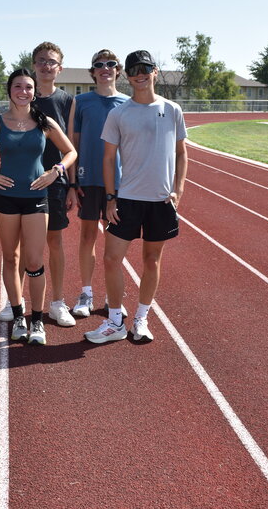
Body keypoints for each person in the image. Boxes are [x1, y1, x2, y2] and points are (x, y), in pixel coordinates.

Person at [0, 68, 76, 345]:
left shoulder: (44, 122)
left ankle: (37, 320)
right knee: (11, 258)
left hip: (38, 198)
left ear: (34, 92)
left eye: (28, 87)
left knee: (34, 260)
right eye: (18, 86)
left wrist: (56, 171)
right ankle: (18, 316)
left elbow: (71, 151)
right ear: (10, 90)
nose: (23, 91)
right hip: (6, 199)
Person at [84, 50, 188, 344]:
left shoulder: (172, 110)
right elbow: (107, 159)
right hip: (127, 198)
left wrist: (178, 190)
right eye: (133, 70)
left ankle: (140, 318)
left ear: (155, 71)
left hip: (161, 201)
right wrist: (110, 197)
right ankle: (115, 321)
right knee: (111, 258)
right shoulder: (118, 113)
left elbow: (182, 154)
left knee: (152, 260)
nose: (139, 74)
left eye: (145, 68)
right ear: (126, 76)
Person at [0, 42, 76, 327]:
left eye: (51, 61)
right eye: (40, 60)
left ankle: (56, 303)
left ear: (59, 67)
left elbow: (71, 146)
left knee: (50, 245)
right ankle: (14, 303)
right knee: (13, 251)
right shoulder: (17, 106)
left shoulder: (65, 101)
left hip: (49, 183)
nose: (46, 65)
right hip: (16, 185)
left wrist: (65, 179)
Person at [69, 50, 129, 318]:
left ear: (118, 70)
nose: (105, 68)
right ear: (92, 72)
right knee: (87, 236)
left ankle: (112, 296)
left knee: (116, 243)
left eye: (110, 64)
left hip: (119, 184)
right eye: (99, 65)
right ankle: (86, 293)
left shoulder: (128, 103)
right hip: (89, 179)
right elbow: (75, 143)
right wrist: (73, 180)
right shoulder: (80, 102)